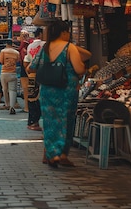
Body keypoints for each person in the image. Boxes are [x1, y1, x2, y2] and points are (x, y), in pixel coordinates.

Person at [28, 19, 91, 168]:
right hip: (66, 90)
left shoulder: (45, 48)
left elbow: (31, 67)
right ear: (63, 32)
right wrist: (83, 68)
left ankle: (52, 155)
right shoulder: (70, 48)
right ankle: (61, 155)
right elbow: (80, 68)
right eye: (67, 31)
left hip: (48, 91)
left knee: (50, 122)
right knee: (66, 121)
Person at [23, 27, 44, 131]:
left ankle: (32, 122)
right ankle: (35, 121)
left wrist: (28, 73)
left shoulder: (30, 45)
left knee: (32, 98)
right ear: (40, 34)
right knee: (40, 99)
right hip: (42, 75)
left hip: (31, 75)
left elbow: (26, 60)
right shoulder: (44, 44)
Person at [0, 39, 20, 114]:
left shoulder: (3, 51)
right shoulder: (16, 52)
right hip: (13, 73)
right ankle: (12, 106)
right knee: (13, 90)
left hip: (4, 72)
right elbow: (18, 61)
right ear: (12, 44)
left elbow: (1, 61)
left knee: (4, 89)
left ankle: (7, 104)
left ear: (6, 44)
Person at [18, 30, 31, 112]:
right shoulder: (29, 45)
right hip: (30, 67)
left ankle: (27, 107)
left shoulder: (23, 45)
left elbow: (22, 58)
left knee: (26, 88)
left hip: (25, 67)